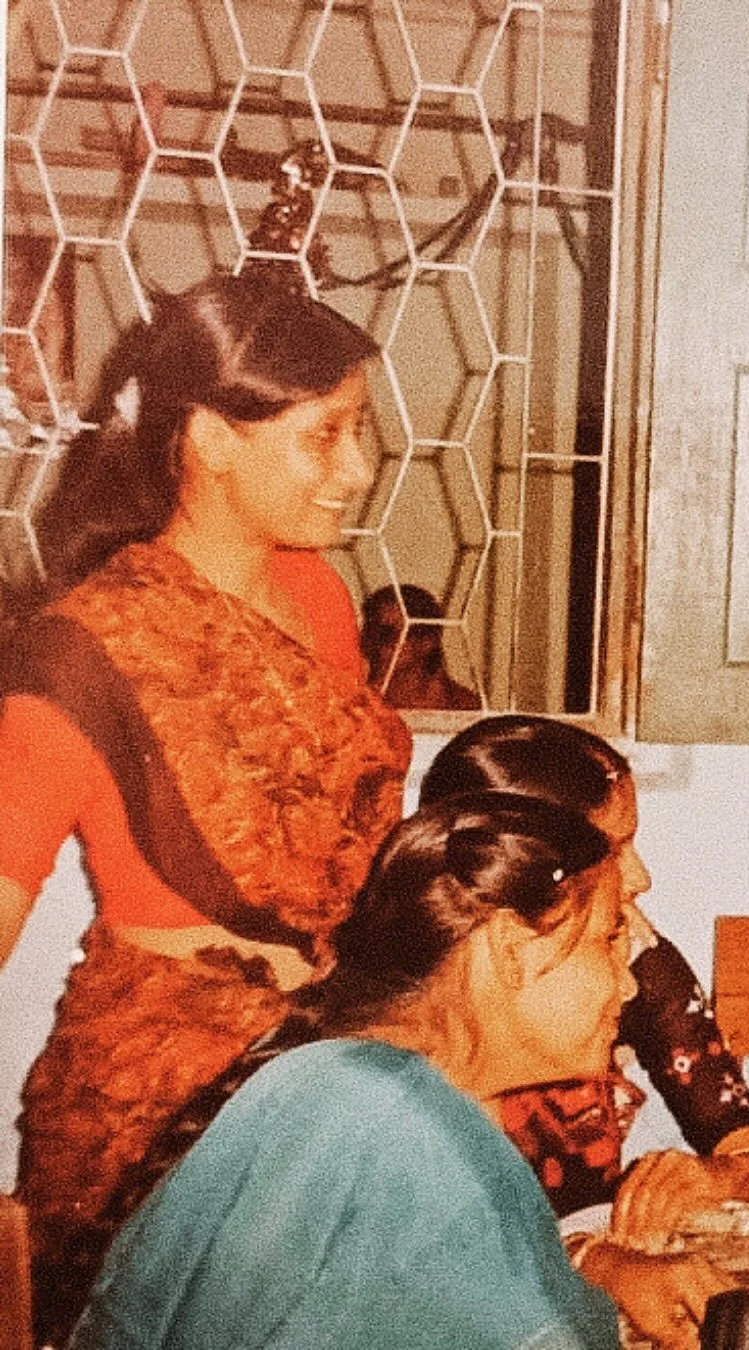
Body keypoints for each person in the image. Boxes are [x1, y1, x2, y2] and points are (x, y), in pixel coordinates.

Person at [0, 271, 412, 1345]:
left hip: (327, 1061)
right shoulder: (81, 654)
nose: (358, 472)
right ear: (213, 439)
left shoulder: (321, 603)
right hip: (164, 1107)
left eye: (358, 432)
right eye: (326, 437)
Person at [69, 792, 644, 1349]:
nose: (629, 982)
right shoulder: (395, 1121)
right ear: (514, 951)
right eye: (609, 939)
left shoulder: (357, 1084)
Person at [417, 716, 749, 1228]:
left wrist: (729, 1175)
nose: (641, 877)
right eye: (614, 850)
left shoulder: (632, 958)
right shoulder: (412, 1002)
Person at [361, 582, 482, 710]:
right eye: (372, 632)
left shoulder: (462, 706)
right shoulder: (358, 699)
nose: (377, 643)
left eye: (388, 634)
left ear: (427, 642)